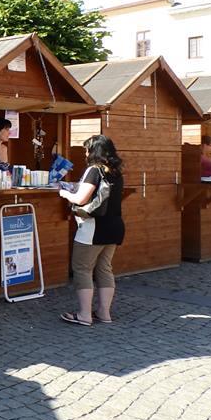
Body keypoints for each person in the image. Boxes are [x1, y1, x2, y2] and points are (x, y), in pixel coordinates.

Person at [58, 134, 125, 326]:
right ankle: (104, 313)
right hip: (115, 226)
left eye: (87, 149)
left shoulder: (94, 170)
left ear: (95, 152)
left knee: (82, 269)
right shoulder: (115, 171)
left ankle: (84, 315)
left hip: (93, 228)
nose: (85, 153)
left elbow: (80, 199)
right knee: (104, 269)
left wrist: (64, 192)